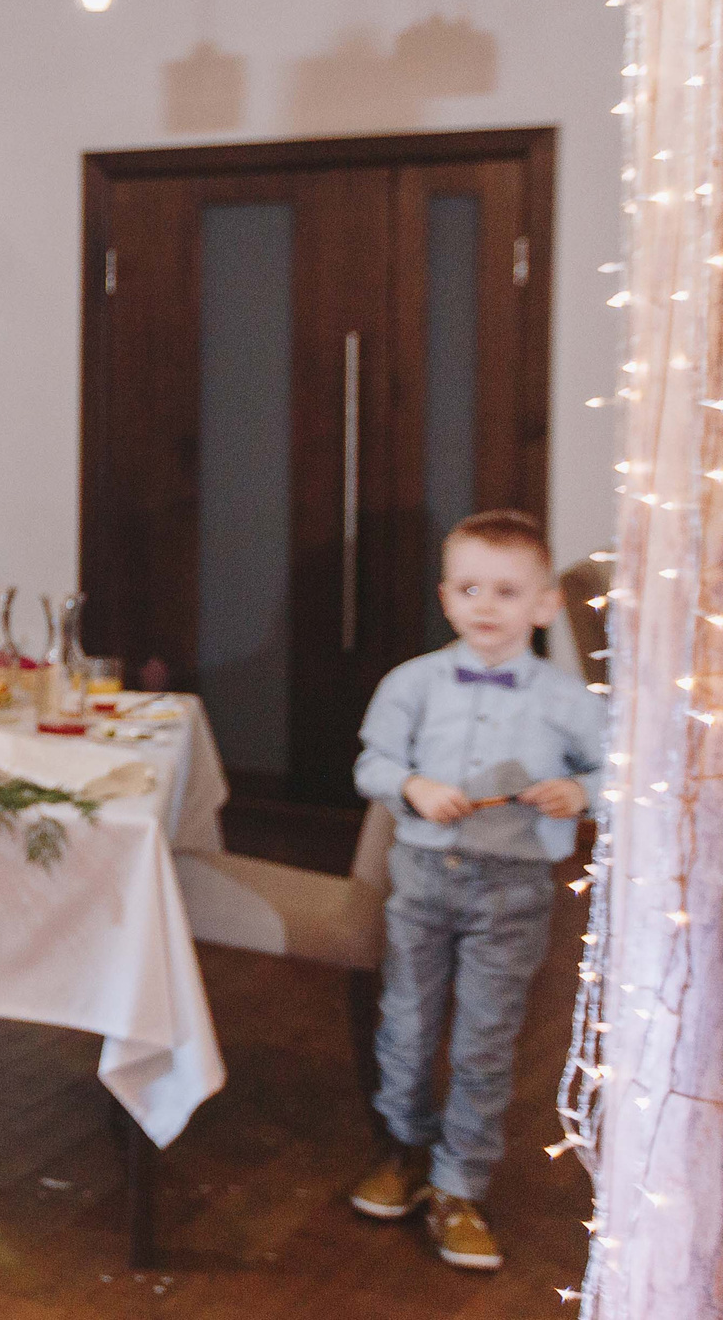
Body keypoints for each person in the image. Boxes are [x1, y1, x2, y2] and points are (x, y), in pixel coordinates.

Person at [346, 509, 603, 1273]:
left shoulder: (567, 699)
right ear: (445, 596)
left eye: (506, 589)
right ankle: (404, 1148)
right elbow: (372, 764)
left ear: (545, 603)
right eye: (469, 588)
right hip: (423, 879)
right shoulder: (412, 683)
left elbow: (615, 770)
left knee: (487, 1038)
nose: (486, 605)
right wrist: (413, 785)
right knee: (409, 1021)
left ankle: (462, 1183)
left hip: (515, 888)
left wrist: (580, 792)